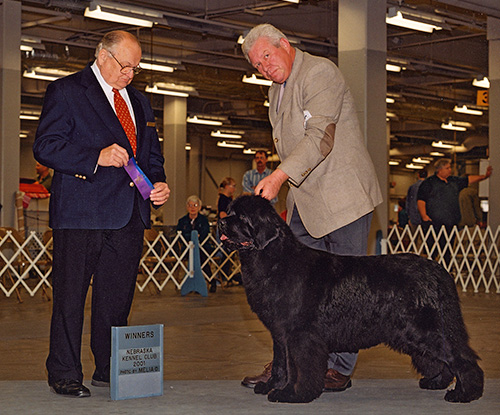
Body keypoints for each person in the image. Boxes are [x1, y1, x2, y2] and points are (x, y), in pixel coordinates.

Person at [240, 24, 383, 392]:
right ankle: (292, 363)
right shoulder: (275, 90)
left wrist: (277, 178)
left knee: (346, 290)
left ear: (284, 44)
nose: (265, 69)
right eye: (257, 66)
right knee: (297, 293)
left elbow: (320, 137)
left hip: (343, 198)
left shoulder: (320, 72)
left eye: (267, 57)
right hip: (304, 202)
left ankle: (337, 366)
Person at [33, 30, 170, 398]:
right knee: (69, 298)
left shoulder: (140, 102)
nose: (130, 74)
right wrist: (95, 157)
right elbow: (46, 146)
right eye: (126, 66)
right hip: (80, 212)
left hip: (129, 215)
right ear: (104, 57)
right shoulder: (67, 91)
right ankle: (64, 372)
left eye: (136, 68)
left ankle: (110, 369)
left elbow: (151, 157)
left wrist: (158, 183)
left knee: (116, 299)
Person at [417, 158, 492, 232]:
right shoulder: (428, 183)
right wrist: (424, 215)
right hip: (434, 223)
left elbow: (468, 179)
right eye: (447, 168)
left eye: (450, 167)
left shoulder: (453, 180)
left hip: (453, 222)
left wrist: (484, 176)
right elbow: (421, 200)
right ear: (439, 170)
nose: (450, 170)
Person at [177, 195, 216, 292]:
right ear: (187, 207)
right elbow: (179, 235)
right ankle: (190, 283)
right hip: (187, 248)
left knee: (201, 257)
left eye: (195, 205)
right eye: (190, 205)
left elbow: (205, 233)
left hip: (202, 247)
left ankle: (211, 280)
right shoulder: (182, 221)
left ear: (199, 207)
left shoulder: (204, 220)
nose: (192, 208)